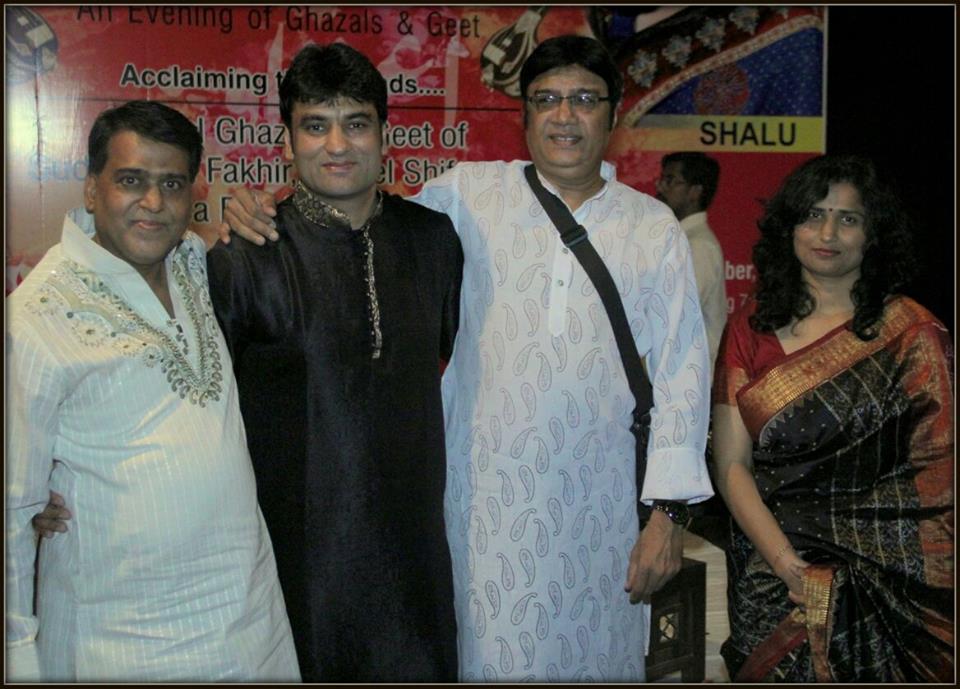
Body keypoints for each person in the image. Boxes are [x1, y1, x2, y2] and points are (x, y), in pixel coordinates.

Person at [222, 35, 713, 682]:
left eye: (585, 99)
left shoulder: (652, 228)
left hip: (598, 512)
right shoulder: (467, 197)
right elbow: (357, 210)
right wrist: (252, 209)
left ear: (613, 114)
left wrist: (668, 516)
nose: (565, 116)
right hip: (478, 516)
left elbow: (682, 374)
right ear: (525, 114)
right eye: (547, 100)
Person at [6, 100, 299, 682]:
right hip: (123, 646)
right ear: (92, 189)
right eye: (130, 180)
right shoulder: (34, 319)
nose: (153, 202)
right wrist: (17, 654)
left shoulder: (194, 261)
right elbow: (13, 509)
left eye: (171, 184)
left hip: (251, 629)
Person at [711, 154, 954, 681]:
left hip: (889, 587)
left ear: (872, 234)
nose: (828, 233)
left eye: (848, 219)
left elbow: (940, 475)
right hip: (770, 577)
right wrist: (787, 566)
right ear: (789, 227)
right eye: (813, 215)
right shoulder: (750, 329)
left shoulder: (910, 335)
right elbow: (731, 465)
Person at [656, 151, 726, 369]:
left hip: (692, 375)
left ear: (695, 191)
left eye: (671, 180)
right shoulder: (679, 239)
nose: (660, 187)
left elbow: (677, 314)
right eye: (662, 179)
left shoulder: (698, 246)